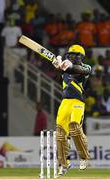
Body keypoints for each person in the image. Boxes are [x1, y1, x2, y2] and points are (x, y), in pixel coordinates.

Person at [52, 44, 91, 175]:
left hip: (78, 101)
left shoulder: (86, 67)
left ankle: (84, 157)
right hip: (65, 102)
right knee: (60, 133)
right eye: (70, 54)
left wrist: (67, 66)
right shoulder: (64, 67)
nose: (71, 56)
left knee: (74, 127)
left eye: (75, 55)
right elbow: (62, 68)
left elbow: (77, 70)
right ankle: (64, 164)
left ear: (81, 57)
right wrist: (56, 63)